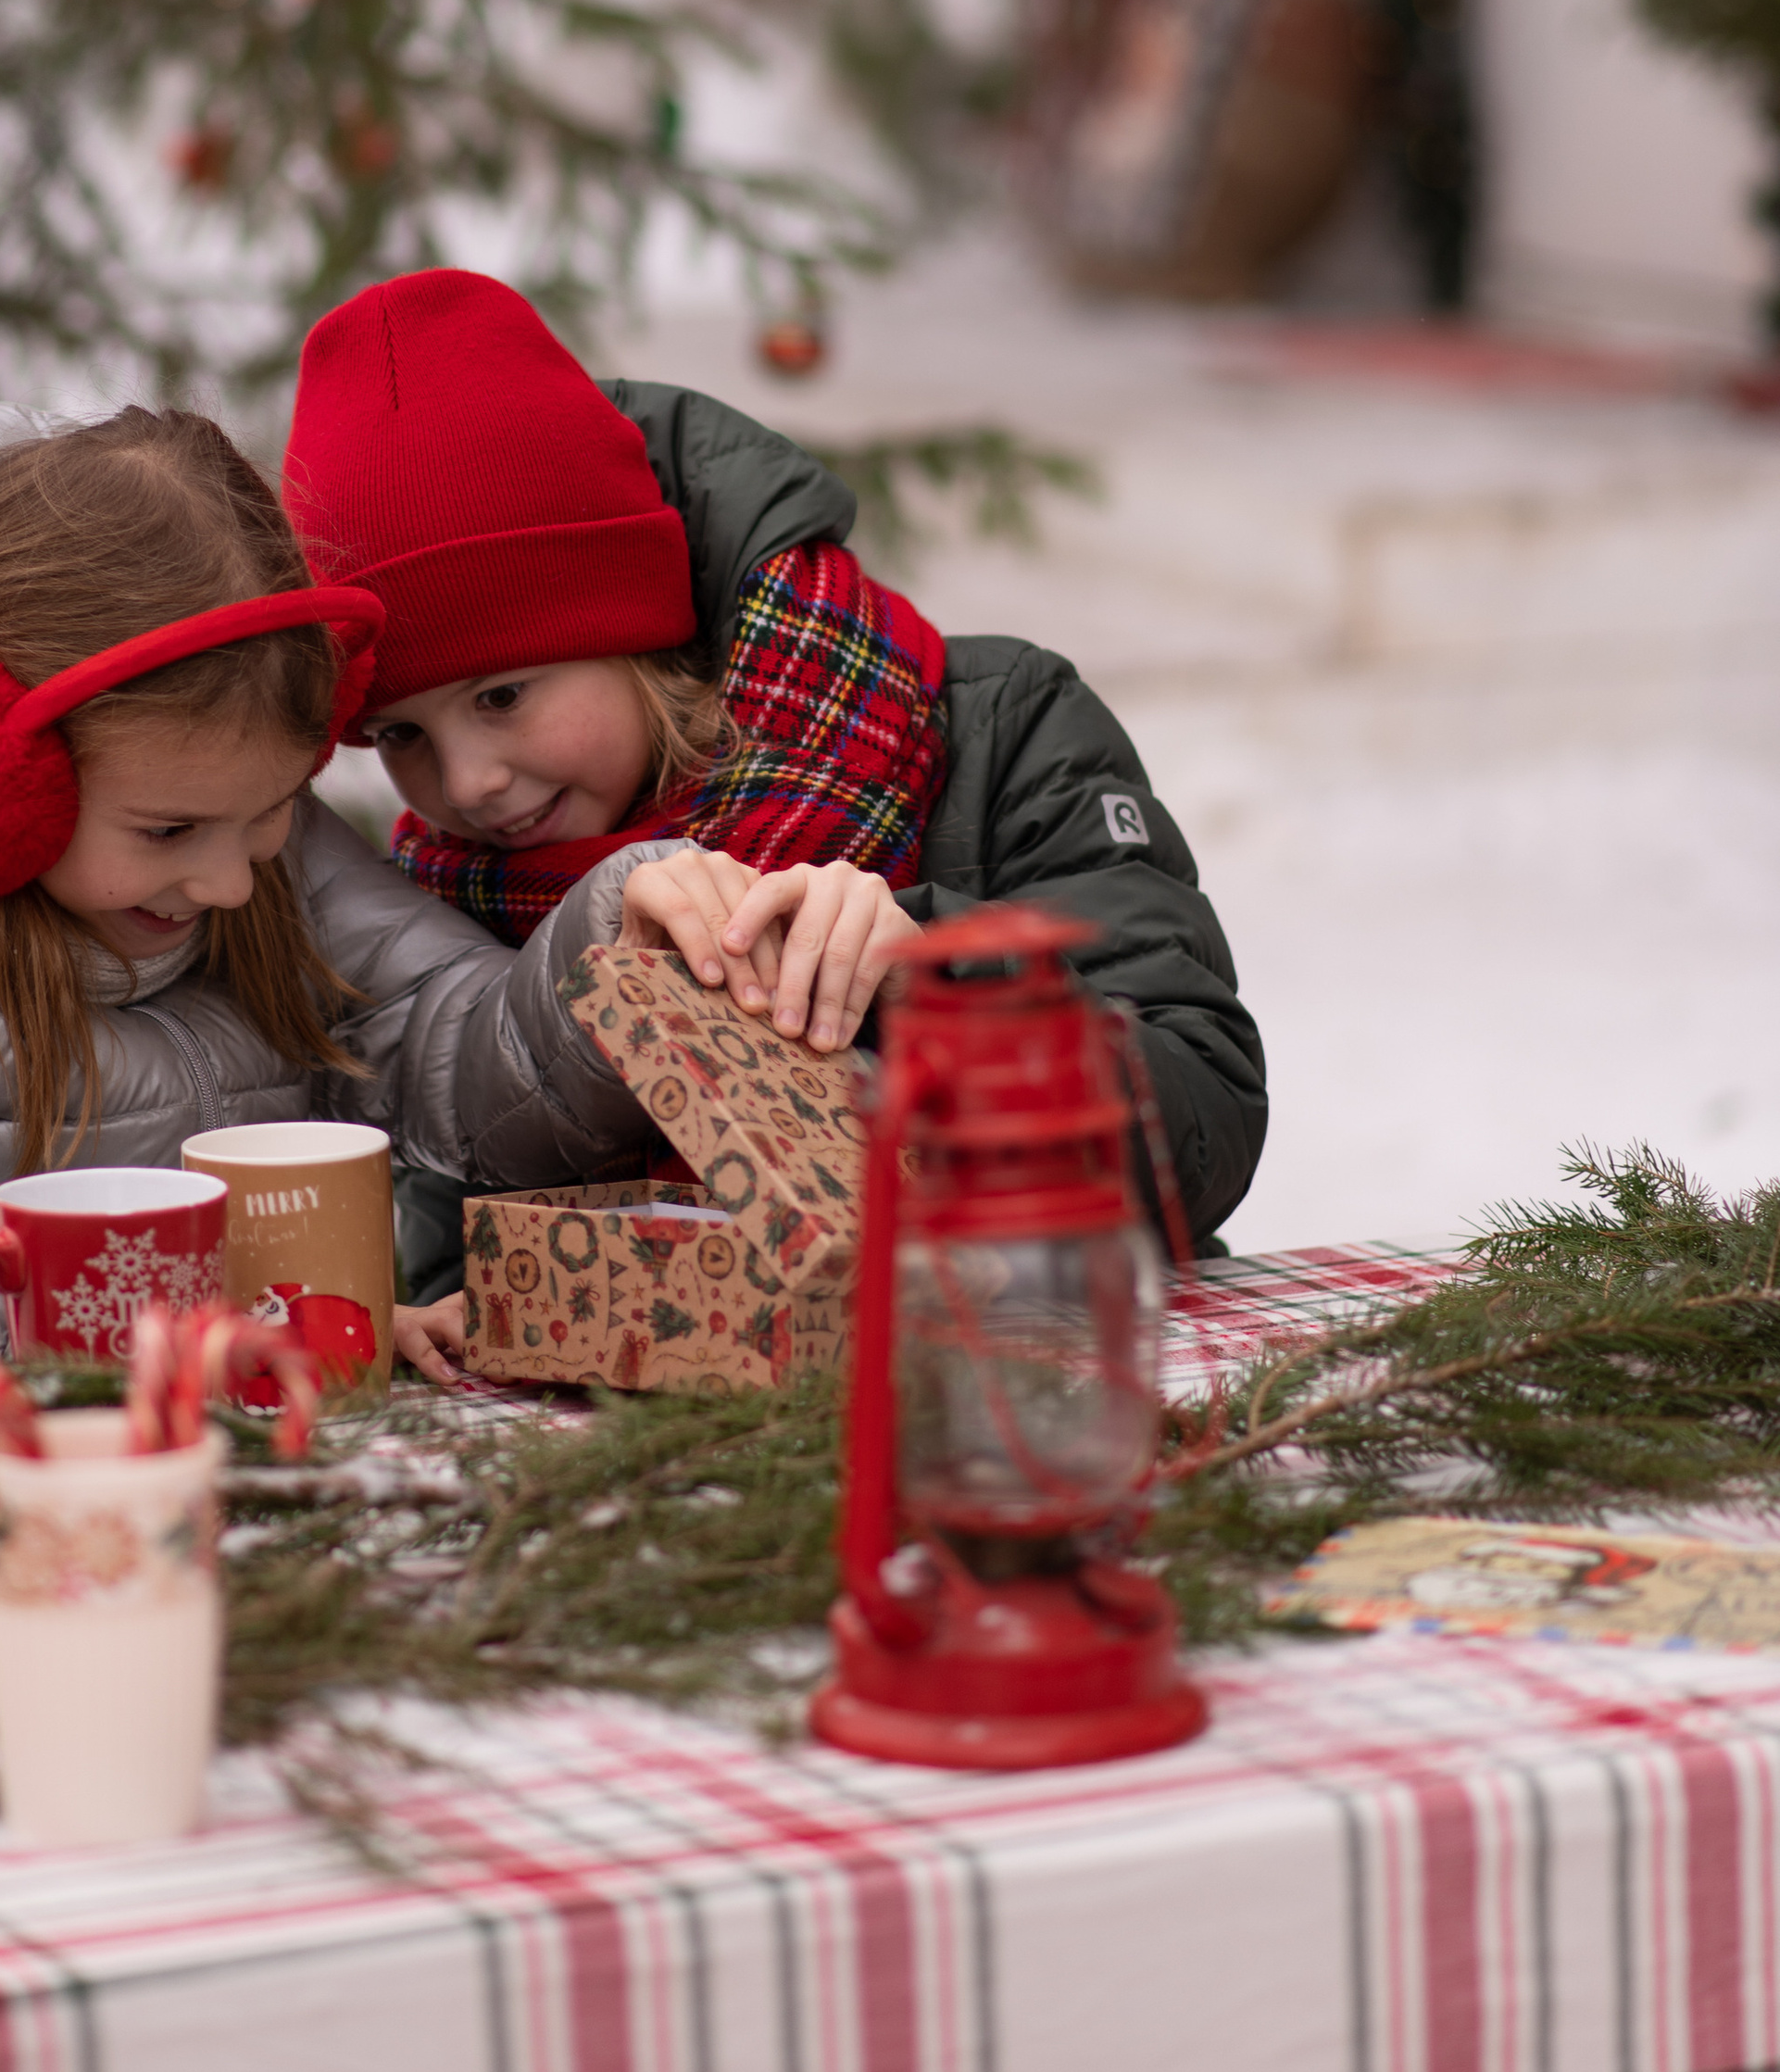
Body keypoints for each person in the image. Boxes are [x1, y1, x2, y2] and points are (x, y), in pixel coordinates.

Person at [0, 401, 694, 1404]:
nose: (227, 882)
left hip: (211, 1456)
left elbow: (460, 1058)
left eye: (271, 811)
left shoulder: (222, 797)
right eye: (166, 834)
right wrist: (263, 1323)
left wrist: (624, 948)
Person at [282, 268, 1267, 1300]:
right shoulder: (437, 896)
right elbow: (459, 1257)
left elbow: (1200, 1135)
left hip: (1034, 1389)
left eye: (502, 698)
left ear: (635, 628)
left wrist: (933, 982)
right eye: (399, 731)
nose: (468, 782)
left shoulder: (999, 727)